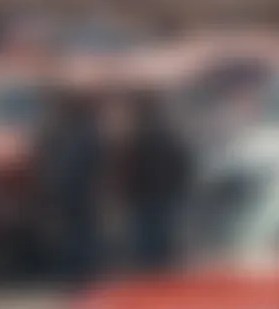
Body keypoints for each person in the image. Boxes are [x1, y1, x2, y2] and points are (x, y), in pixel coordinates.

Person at [34, 90, 104, 284]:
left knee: (76, 232)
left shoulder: (72, 132)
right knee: (76, 232)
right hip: (71, 191)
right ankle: (77, 270)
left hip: (73, 191)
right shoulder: (76, 132)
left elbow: (86, 162)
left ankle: (78, 270)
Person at [119, 91, 191, 271]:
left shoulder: (140, 134)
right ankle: (161, 270)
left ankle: (152, 271)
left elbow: (131, 164)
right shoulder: (168, 133)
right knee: (161, 234)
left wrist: (128, 188)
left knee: (147, 237)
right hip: (161, 192)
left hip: (145, 193)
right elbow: (181, 161)